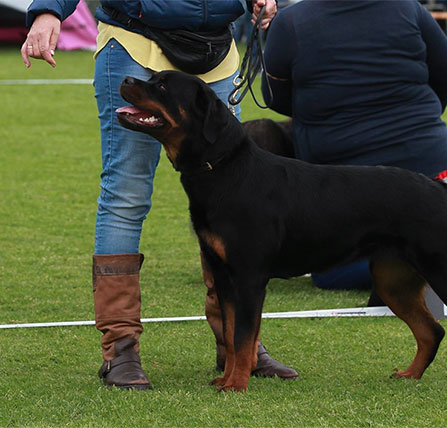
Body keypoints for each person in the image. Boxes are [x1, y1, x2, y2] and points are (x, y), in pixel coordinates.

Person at [22, 0, 297, 391]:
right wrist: (49, 10)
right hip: (137, 43)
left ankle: (237, 346)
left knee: (235, 197)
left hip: (216, 49)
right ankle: (121, 350)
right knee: (126, 195)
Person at [261, 0, 447, 298]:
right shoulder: (407, 8)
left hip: (346, 174)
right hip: (427, 157)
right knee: (434, 217)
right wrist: (425, 118)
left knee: (330, 271)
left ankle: (418, 261)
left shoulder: (291, 22)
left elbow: (275, 97)